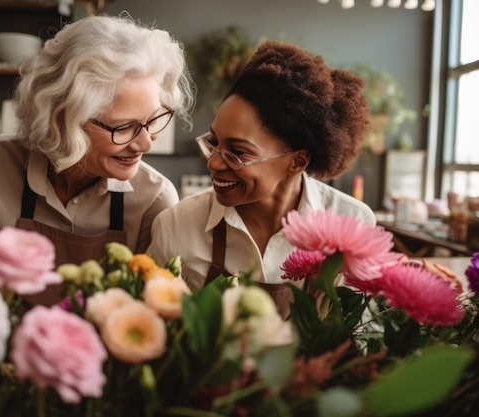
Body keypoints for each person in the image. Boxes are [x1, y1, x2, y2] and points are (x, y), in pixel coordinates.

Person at [0, 14, 195, 304]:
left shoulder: (155, 199)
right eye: (123, 127)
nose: (144, 143)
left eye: (153, 120)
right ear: (62, 119)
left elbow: (142, 317)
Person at [147, 40, 375, 318]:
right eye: (214, 142)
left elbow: (361, 336)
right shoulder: (176, 227)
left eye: (238, 152)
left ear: (298, 161)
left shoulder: (352, 224)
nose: (214, 162)